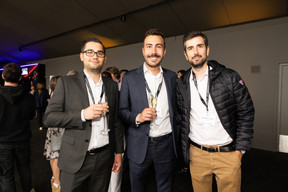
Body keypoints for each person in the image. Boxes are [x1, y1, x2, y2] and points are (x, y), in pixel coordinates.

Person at [176, 31, 255, 192]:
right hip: (197, 155)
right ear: (185, 55)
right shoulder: (181, 84)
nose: (195, 52)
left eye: (199, 46)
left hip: (227, 154)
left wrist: (240, 150)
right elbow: (181, 118)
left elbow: (246, 112)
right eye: (190, 48)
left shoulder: (229, 77)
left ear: (207, 49)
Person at [43, 37, 124, 192]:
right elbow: (48, 117)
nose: (95, 56)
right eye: (90, 52)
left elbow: (116, 122)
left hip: (104, 157)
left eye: (99, 53)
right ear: (82, 56)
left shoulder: (112, 86)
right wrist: (82, 115)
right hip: (75, 158)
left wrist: (118, 152)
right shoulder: (66, 83)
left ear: (104, 58)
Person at [119, 28, 178, 192]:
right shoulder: (130, 78)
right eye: (149, 46)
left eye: (158, 46)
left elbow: (179, 111)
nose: (154, 51)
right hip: (139, 144)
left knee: (165, 187)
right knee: (137, 188)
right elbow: (122, 111)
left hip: (166, 144)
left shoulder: (172, 77)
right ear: (143, 50)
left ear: (164, 51)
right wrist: (137, 116)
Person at [0, 63, 36, 192]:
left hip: (2, 142)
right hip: (23, 140)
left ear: (3, 76)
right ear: (20, 78)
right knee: (24, 169)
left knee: (6, 175)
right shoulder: (29, 98)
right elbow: (32, 116)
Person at [43, 75, 63, 192]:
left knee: (53, 154)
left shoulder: (53, 94)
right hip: (57, 128)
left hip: (54, 129)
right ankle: (56, 183)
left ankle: (55, 179)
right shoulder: (58, 96)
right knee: (56, 155)